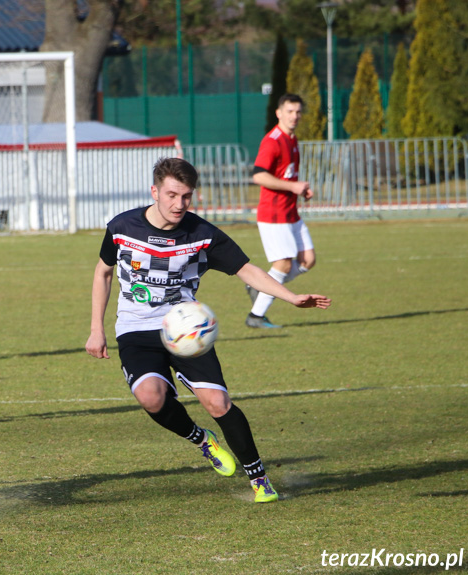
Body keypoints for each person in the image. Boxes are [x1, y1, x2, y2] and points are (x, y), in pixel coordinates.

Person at [85, 157, 331, 503]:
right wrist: (97, 329)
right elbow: (103, 273)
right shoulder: (122, 227)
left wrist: (290, 297)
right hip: (135, 329)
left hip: (187, 330)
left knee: (217, 402)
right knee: (151, 397)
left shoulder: (202, 234)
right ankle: (202, 440)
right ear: (154, 191)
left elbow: (247, 270)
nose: (178, 204)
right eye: (171, 195)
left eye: (186, 196)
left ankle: (259, 478)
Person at [246, 93, 317, 329]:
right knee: (283, 265)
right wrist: (293, 186)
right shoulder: (273, 140)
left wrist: (300, 189)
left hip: (290, 212)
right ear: (279, 113)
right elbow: (258, 175)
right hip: (274, 214)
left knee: (307, 259)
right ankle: (256, 316)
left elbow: (285, 175)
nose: (294, 116)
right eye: (289, 111)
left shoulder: (292, 139)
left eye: (298, 112)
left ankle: (260, 286)